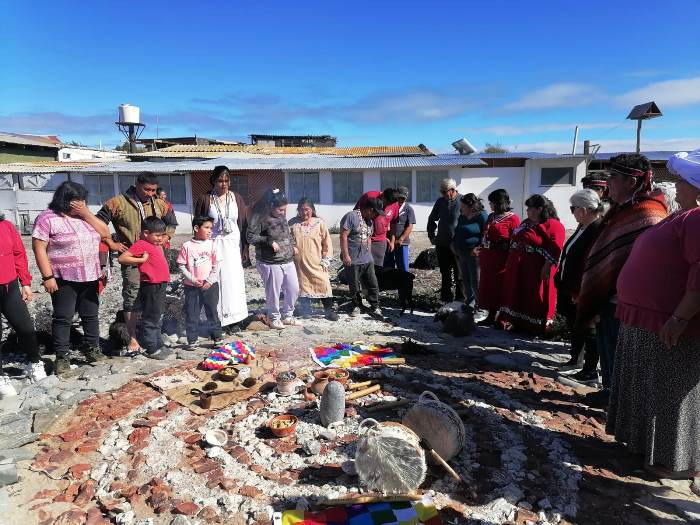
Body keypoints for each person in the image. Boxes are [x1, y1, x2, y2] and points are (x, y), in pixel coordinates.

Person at [607, 149, 700, 478]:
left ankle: (675, 463)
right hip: (647, 319)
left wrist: (679, 318)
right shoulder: (683, 215)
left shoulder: (697, 219)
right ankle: (646, 449)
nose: (676, 185)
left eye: (682, 181)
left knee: (669, 393)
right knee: (650, 388)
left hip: (669, 323)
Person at [576, 154, 667, 407]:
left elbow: (646, 262)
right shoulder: (621, 209)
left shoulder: (649, 213)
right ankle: (609, 391)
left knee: (622, 354)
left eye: (614, 177)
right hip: (609, 295)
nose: (608, 184)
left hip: (629, 302)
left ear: (632, 181)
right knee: (608, 349)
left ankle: (623, 402)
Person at [32, 182, 110, 377]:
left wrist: (87, 214)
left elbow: (105, 234)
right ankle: (62, 357)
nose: (81, 204)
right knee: (63, 317)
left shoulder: (86, 217)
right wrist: (47, 277)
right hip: (63, 277)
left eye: (83, 200)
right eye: (77, 201)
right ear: (64, 200)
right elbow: (39, 248)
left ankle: (92, 349)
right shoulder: (46, 218)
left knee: (90, 315)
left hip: (90, 275)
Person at [97, 172, 177, 351]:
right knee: (132, 296)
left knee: (152, 297)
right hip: (132, 257)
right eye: (146, 189)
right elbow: (97, 223)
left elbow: (172, 222)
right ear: (137, 184)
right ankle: (132, 338)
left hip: (154, 258)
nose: (150, 193)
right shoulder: (118, 202)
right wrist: (111, 242)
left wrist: (165, 237)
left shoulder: (159, 203)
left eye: (153, 190)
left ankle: (151, 334)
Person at [554, 189, 605, 382]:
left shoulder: (597, 229)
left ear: (583, 210)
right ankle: (576, 359)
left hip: (583, 289)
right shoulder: (582, 227)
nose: (572, 212)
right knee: (576, 325)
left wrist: (580, 289)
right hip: (571, 288)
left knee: (589, 329)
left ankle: (590, 370)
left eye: (573, 208)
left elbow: (589, 263)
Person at [499, 195, 565, 334]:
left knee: (534, 296)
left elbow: (555, 248)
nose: (528, 211)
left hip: (536, 268)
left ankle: (534, 326)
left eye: (530, 208)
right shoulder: (526, 222)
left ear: (540, 209)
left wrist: (546, 267)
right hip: (519, 267)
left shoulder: (553, 225)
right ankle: (517, 322)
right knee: (518, 294)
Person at [194, 166, 249, 333]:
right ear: (213, 181)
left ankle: (235, 319)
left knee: (233, 281)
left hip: (232, 245)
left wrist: (244, 249)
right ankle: (216, 320)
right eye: (220, 180)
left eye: (226, 181)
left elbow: (243, 223)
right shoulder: (206, 199)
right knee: (215, 279)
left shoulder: (236, 198)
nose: (223, 184)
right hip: (214, 244)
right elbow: (198, 223)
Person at [0, 214, 45, 396]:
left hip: (9, 287)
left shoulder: (6, 226)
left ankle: (34, 363)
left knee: (26, 327)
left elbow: (19, 253)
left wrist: (25, 283)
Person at [117, 217, 172, 360]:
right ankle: (151, 347)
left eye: (162, 235)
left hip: (160, 284)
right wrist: (141, 260)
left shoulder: (154, 244)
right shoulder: (141, 244)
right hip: (151, 285)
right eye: (158, 235)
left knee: (157, 315)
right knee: (151, 316)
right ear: (146, 233)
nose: (161, 239)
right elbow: (122, 258)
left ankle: (158, 342)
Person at [246, 189, 300, 330]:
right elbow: (250, 237)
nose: (283, 213)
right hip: (270, 262)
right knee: (273, 292)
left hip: (287, 259)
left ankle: (288, 315)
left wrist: (293, 246)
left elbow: (287, 233)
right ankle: (274, 317)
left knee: (294, 288)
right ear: (270, 206)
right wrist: (268, 241)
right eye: (280, 210)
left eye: (284, 210)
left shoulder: (282, 216)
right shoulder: (259, 217)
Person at [177, 216, 223, 348]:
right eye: (207, 227)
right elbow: (181, 265)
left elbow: (217, 265)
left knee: (212, 311)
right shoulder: (187, 246)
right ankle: (192, 339)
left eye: (211, 228)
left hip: (210, 285)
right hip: (192, 287)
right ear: (196, 228)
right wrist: (192, 279)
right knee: (192, 312)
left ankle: (217, 337)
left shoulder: (212, 244)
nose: (210, 231)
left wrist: (209, 280)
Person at [289, 198, 338, 321]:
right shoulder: (292, 223)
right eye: (301, 210)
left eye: (307, 209)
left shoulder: (319, 223)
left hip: (317, 262)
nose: (304, 213)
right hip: (299, 263)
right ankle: (306, 310)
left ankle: (329, 310)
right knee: (303, 285)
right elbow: (287, 240)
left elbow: (327, 242)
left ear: (312, 210)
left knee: (324, 283)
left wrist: (326, 259)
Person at [477, 189, 520, 326]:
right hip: (489, 256)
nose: (490, 205)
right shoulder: (491, 217)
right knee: (489, 286)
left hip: (502, 258)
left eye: (492, 202)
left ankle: (503, 318)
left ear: (499, 203)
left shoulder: (513, 219)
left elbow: (515, 240)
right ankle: (490, 315)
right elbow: (485, 233)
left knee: (501, 287)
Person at [340, 198, 384, 317]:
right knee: (354, 285)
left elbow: (369, 237)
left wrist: (369, 254)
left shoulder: (370, 220)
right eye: (375, 213)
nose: (376, 216)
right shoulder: (351, 216)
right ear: (370, 210)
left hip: (366, 259)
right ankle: (356, 305)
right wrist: (346, 255)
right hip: (353, 258)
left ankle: (375, 306)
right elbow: (343, 236)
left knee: (372, 283)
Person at [427, 178, 463, 302]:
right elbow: (432, 219)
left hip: (458, 245)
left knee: (459, 275)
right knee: (445, 273)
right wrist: (431, 235)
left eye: (444, 192)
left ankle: (460, 300)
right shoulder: (440, 202)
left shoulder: (462, 201)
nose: (442, 194)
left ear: (452, 190)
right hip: (442, 243)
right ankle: (446, 299)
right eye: (441, 192)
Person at [451, 193, 488, 312]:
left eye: (463, 205)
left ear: (471, 206)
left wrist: (478, 247)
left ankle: (481, 306)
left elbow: (486, 235)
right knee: (465, 280)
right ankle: (470, 303)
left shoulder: (482, 216)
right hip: (461, 252)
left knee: (476, 281)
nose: (461, 207)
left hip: (474, 254)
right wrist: (453, 244)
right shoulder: (462, 216)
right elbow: (457, 231)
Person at [354, 188, 400, 266]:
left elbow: (393, 223)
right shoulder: (369, 196)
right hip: (363, 238)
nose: (386, 206)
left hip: (380, 241)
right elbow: (356, 215)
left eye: (389, 204)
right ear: (382, 196)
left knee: (377, 268)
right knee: (362, 265)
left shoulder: (394, 204)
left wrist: (392, 240)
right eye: (386, 203)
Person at [384, 186, 415, 272]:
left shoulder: (408, 209)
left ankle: (404, 284)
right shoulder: (390, 206)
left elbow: (410, 226)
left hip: (402, 243)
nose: (400, 200)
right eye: (399, 198)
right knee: (388, 266)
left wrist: (401, 239)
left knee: (403, 266)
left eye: (403, 198)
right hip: (389, 241)